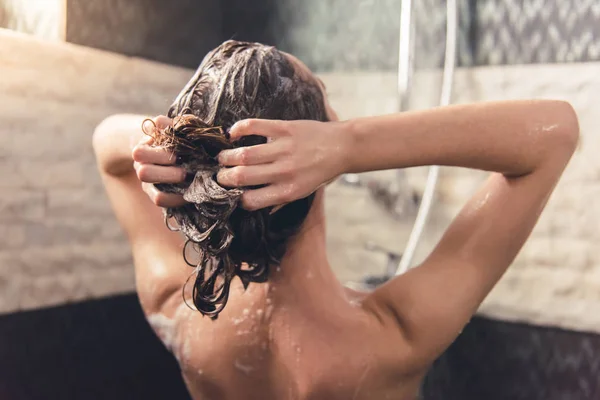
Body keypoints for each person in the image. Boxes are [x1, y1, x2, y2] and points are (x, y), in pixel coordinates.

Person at [92, 40, 579, 400]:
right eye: (324, 99)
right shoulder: (395, 336)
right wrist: (350, 146)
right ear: (307, 163)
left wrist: (179, 144)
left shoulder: (183, 318)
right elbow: (554, 132)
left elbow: (106, 146)